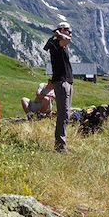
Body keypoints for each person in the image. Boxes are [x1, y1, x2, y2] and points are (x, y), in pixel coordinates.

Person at [44, 21, 73, 152]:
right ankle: (60, 145)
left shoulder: (59, 43)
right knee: (63, 113)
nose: (70, 33)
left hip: (67, 81)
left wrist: (60, 33)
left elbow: (67, 40)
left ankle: (61, 144)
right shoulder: (56, 43)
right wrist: (59, 34)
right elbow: (68, 40)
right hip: (61, 82)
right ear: (62, 30)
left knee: (66, 113)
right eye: (68, 30)